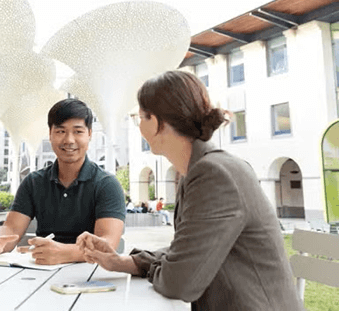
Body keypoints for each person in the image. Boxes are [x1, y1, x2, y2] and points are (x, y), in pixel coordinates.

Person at [77, 71, 301, 310]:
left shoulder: (214, 175)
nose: (140, 126)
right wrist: (123, 262)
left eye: (140, 117)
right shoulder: (199, 170)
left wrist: (161, 268)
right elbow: (185, 252)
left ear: (156, 122)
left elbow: (180, 283)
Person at [0, 98, 126, 265]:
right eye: (60, 131)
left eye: (78, 131)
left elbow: (107, 242)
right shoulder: (33, 182)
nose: (69, 140)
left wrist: (65, 253)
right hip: (40, 274)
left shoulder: (107, 184)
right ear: (50, 134)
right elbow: (12, 229)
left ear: (90, 134)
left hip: (89, 276)